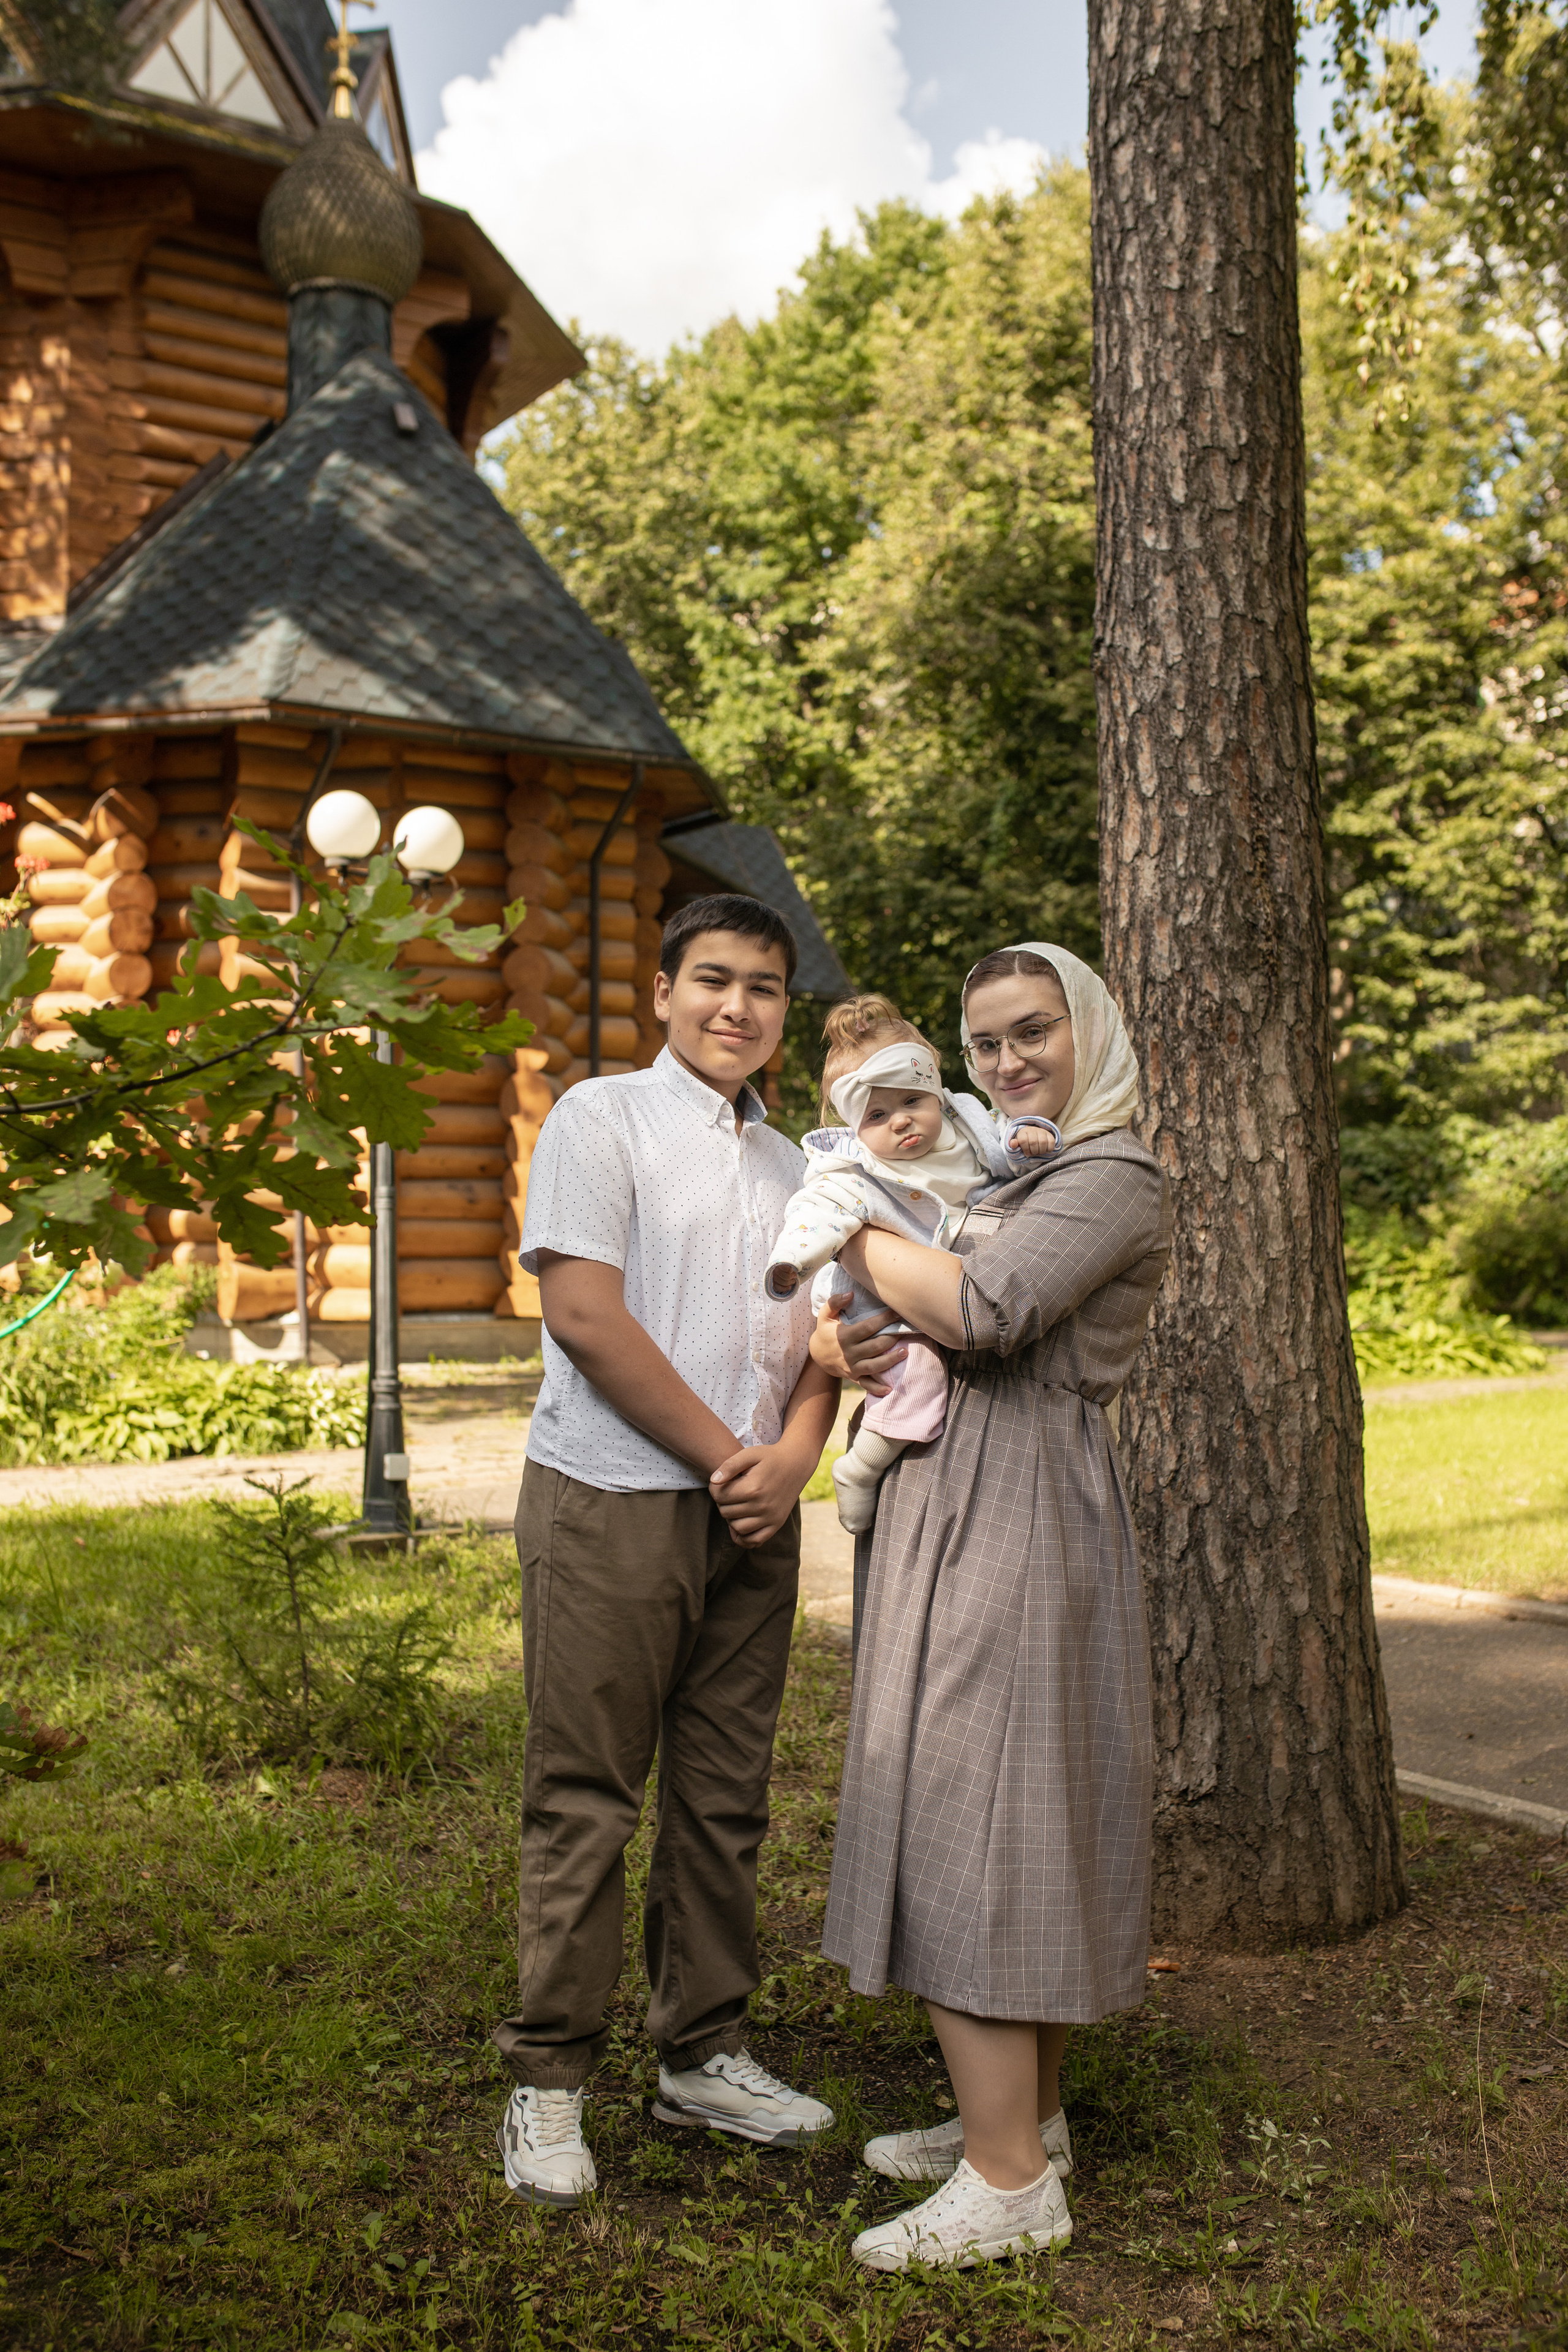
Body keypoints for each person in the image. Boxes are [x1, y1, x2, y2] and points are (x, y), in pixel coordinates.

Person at [812, 941, 1172, 2272]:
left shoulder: (1108, 1172)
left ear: (1088, 1031)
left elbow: (985, 1305)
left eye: (1033, 1032)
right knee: (1006, 1805)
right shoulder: (1015, 1167)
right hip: (962, 1494)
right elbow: (919, 1308)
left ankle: (1008, 2181)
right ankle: (1025, 2121)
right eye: (985, 1047)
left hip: (1016, 1504)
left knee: (974, 1812)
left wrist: (846, 1218)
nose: (1009, 1062)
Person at [492, 891, 842, 2209]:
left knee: (722, 1797)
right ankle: (547, 2080)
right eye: (711, 979)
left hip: (756, 1514)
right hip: (614, 1497)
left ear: (782, 1013)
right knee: (586, 1795)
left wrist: (792, 1458)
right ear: (663, 990)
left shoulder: (805, 1164)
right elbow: (583, 1312)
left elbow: (830, 1337)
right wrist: (722, 1457)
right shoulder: (601, 1117)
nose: (735, 1006)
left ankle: (700, 2050)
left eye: (761, 986)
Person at [764, 994, 1057, 1531]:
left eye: (911, 1102)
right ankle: (864, 1465)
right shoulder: (853, 1169)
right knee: (919, 1374)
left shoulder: (968, 1125)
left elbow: (1009, 1149)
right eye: (877, 1114)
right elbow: (818, 1212)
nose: (901, 1122)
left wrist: (1029, 1136)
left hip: (957, 1290)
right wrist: (794, 1261)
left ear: (937, 1095)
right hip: (884, 1301)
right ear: (856, 1126)